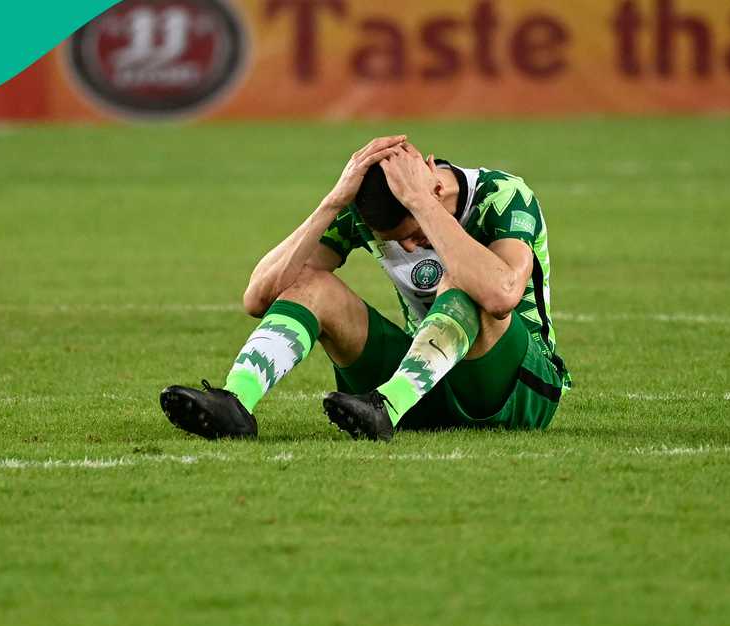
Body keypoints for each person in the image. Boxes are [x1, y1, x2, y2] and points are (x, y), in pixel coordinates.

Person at [159, 135, 570, 441]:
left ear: (436, 186)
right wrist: (333, 203)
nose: (410, 247)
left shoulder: (502, 195)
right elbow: (259, 296)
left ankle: (387, 405)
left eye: (414, 233)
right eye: (398, 241)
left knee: (464, 284)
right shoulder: (362, 215)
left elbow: (502, 296)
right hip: (423, 386)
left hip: (519, 391)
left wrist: (424, 206)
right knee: (309, 282)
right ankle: (236, 402)